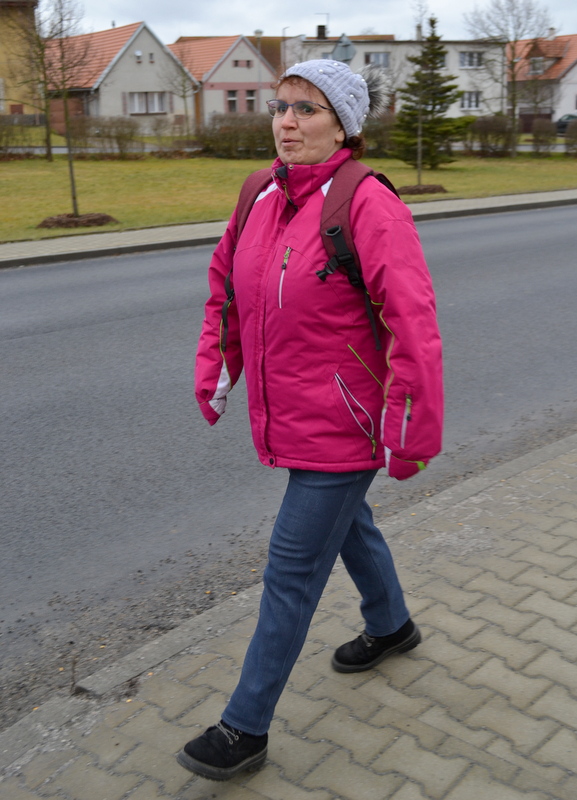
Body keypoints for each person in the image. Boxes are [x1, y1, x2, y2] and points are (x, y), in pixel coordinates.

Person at [177, 59, 443, 782]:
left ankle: (244, 728)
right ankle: (391, 624)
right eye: (280, 106)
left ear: (343, 125)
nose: (287, 122)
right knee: (349, 525)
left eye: (307, 109)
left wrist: (407, 428)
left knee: (291, 568)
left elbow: (412, 323)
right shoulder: (259, 192)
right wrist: (217, 367)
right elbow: (226, 290)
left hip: (347, 421)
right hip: (294, 410)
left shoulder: (368, 204)